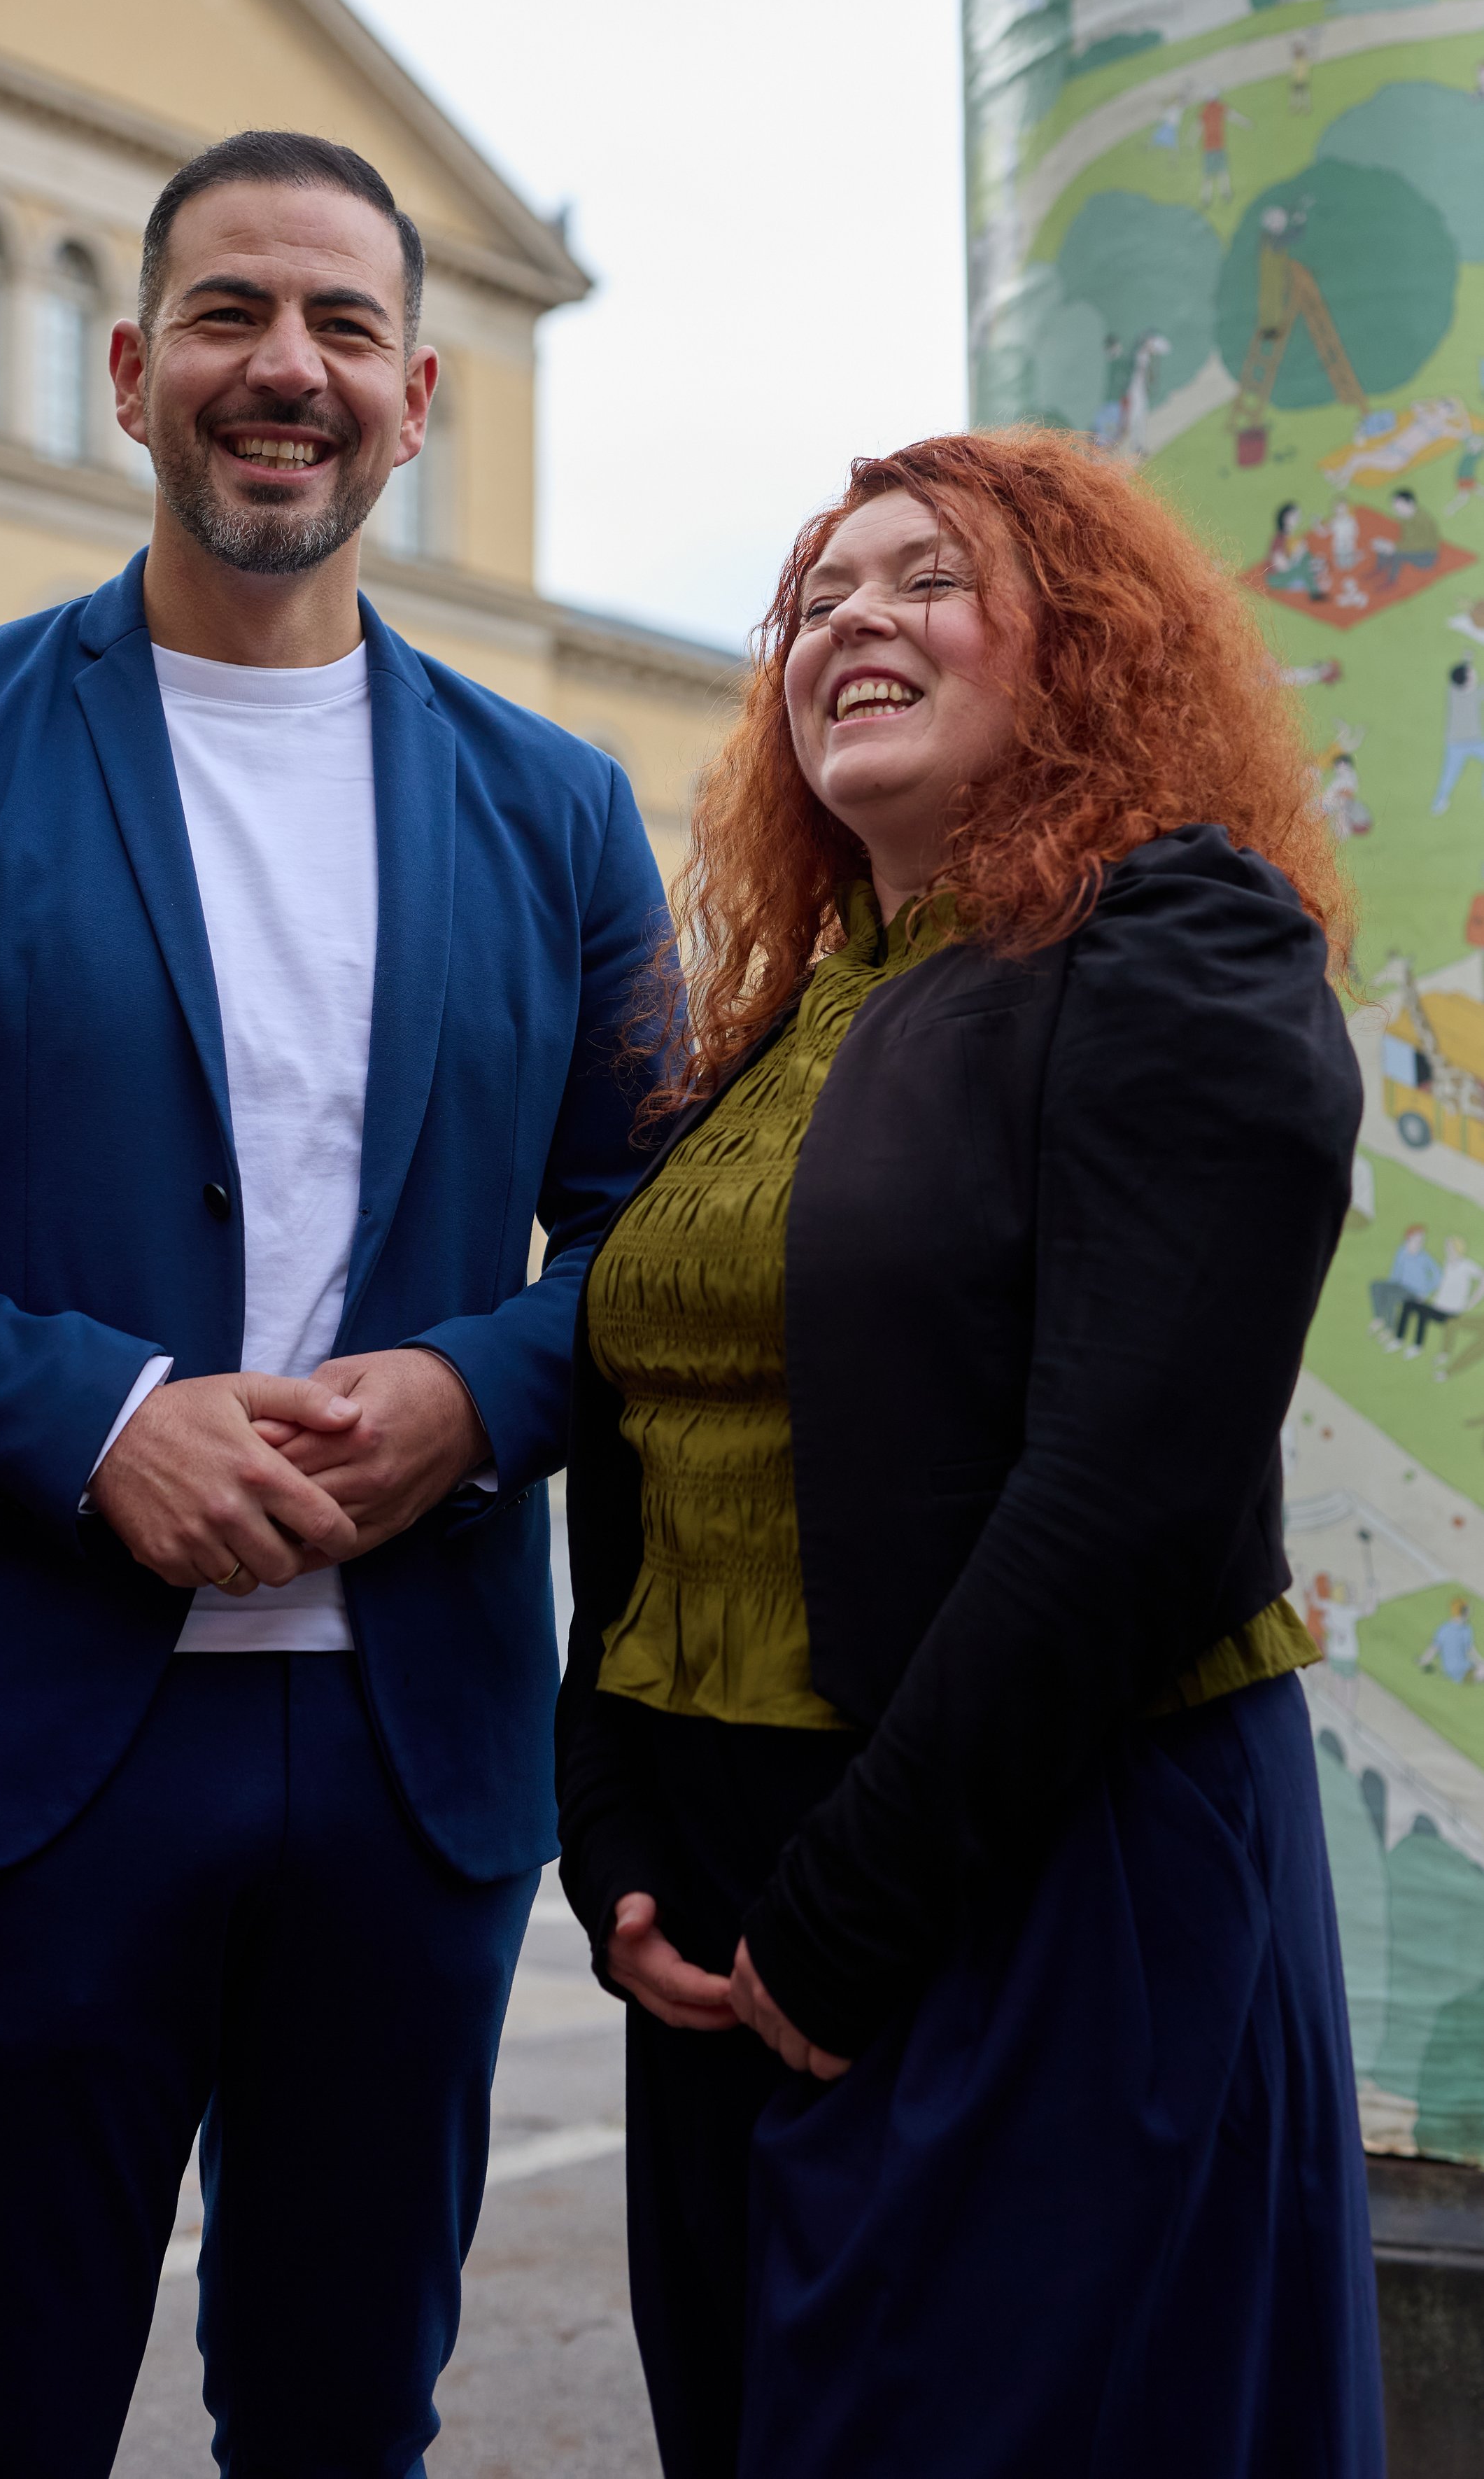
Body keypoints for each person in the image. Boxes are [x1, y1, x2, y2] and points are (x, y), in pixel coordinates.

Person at [0, 131, 666, 2475]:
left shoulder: (556, 808)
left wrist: (476, 1393)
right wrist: (100, 1418)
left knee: (353, 2424)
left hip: (410, 1760)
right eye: (235, 317)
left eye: (344, 327)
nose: (290, 369)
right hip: (28, 1752)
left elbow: (656, 1248)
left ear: (418, 396)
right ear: (135, 373)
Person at [558, 429, 1381, 2479]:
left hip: (1035, 1879)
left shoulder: (1175, 940)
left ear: (1079, 646)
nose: (849, 618)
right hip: (741, 1907)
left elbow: (1130, 1490)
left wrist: (843, 1907)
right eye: (815, 598)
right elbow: (656, 1444)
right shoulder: (784, 1017)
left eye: (919, 576)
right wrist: (618, 1830)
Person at [1396, 1232, 1484, 1372]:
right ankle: (1400, 1339)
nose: (1447, 1250)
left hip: (1451, 1311)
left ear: (1456, 1249)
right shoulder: (1448, 1264)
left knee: (1424, 1313)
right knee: (1410, 1305)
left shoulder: (1466, 1265)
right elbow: (1443, 1287)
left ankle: (1419, 1347)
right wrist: (1430, 1296)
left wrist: (1472, 1302)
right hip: (1439, 1306)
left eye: (1449, 1247)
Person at [1432, 657, 1484, 815]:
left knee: (1449, 774)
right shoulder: (1461, 693)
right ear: (1467, 681)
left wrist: (1467, 662)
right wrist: (1466, 665)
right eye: (1472, 674)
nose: (1475, 676)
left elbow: (1461, 676)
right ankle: (1439, 801)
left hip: (1473, 741)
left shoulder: (1459, 691)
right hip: (1457, 743)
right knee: (1449, 774)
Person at [1371, 1222, 1441, 1340]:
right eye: (1418, 1237)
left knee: (1391, 1297)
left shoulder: (1424, 1257)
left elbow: (1438, 1275)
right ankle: (1380, 1318)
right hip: (1400, 1285)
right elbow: (1396, 1270)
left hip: (1415, 1291)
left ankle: (1390, 1329)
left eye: (1422, 1238)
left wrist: (1425, 1292)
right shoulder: (1402, 1251)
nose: (1421, 1240)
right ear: (1410, 1238)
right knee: (1376, 1286)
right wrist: (1390, 1284)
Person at [1372, 486, 1441, 592]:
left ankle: (1391, 581)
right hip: (1414, 549)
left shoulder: (1423, 520)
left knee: (1397, 554)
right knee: (1385, 545)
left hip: (1426, 556)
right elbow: (1406, 540)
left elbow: (1421, 544)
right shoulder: (1405, 518)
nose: (1396, 510)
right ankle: (1379, 569)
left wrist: (1395, 547)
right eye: (1395, 507)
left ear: (1410, 504)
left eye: (1399, 507)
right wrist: (1390, 545)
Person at [1420, 1597, 1484, 1684]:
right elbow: (1470, 1652)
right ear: (1464, 1612)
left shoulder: (1444, 1628)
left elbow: (1434, 1648)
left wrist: (1424, 1661)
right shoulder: (1466, 1629)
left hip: (1451, 1670)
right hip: (1463, 1671)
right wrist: (1480, 1663)